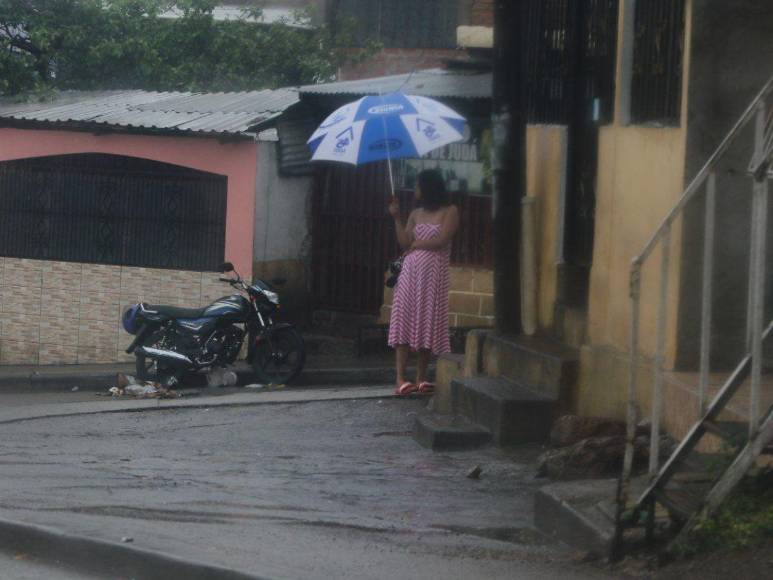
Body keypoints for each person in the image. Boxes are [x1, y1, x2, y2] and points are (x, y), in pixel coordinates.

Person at [387, 169, 460, 396]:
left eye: (418, 185)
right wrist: (396, 217)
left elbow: (442, 240)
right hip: (411, 274)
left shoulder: (450, 211)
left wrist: (418, 245)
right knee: (405, 320)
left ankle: (420, 377)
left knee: (426, 321)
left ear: (428, 188)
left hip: (433, 277)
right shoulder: (415, 214)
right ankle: (400, 378)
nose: (415, 190)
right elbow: (405, 242)